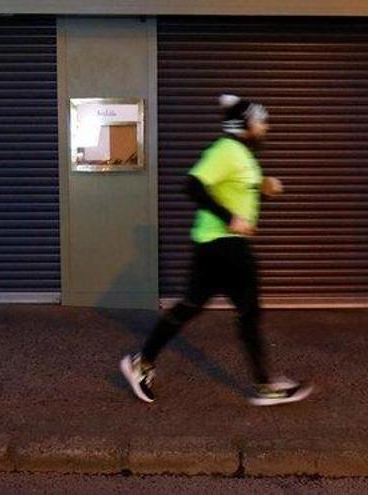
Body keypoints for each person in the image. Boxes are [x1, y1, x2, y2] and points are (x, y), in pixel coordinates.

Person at [120, 94, 313, 406]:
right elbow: (192, 185)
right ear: (245, 125)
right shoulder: (226, 150)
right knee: (248, 312)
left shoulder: (242, 154)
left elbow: (236, 188)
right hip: (225, 246)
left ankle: (141, 363)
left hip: (212, 245)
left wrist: (263, 187)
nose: (266, 127)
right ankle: (265, 386)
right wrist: (230, 218)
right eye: (261, 121)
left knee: (192, 306)